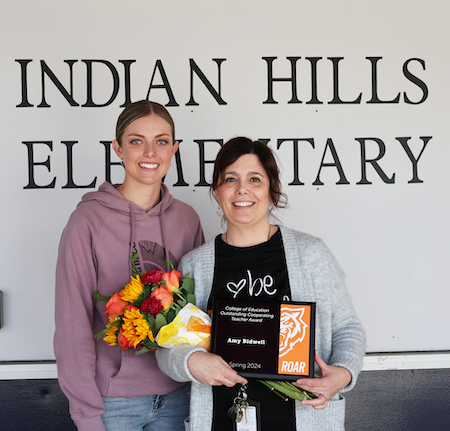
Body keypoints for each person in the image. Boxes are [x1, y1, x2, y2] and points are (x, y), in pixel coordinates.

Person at [156, 137, 366, 431]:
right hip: (220, 421)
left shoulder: (311, 255)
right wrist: (190, 361)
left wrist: (343, 373)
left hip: (302, 421)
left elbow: (348, 328)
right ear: (217, 192)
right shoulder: (196, 265)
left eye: (255, 179)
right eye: (231, 179)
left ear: (272, 190)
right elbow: (167, 347)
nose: (242, 189)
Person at [54, 100, 204, 431]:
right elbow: (71, 325)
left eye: (161, 141)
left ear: (174, 149)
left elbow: (198, 312)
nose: (150, 153)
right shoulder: (87, 222)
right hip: (113, 402)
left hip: (178, 395)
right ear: (118, 149)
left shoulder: (186, 219)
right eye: (137, 141)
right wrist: (88, 416)